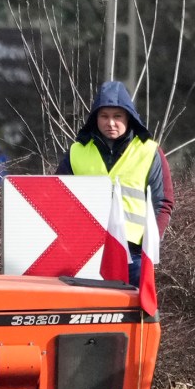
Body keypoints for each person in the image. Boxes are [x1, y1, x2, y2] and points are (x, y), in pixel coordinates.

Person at [58, 81, 172, 285]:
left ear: (129, 117)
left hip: (134, 254)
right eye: (104, 116)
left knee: (135, 315)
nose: (110, 123)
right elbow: (56, 200)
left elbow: (163, 203)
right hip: (86, 251)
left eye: (117, 116)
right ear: (95, 118)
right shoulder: (77, 152)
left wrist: (151, 245)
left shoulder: (149, 152)